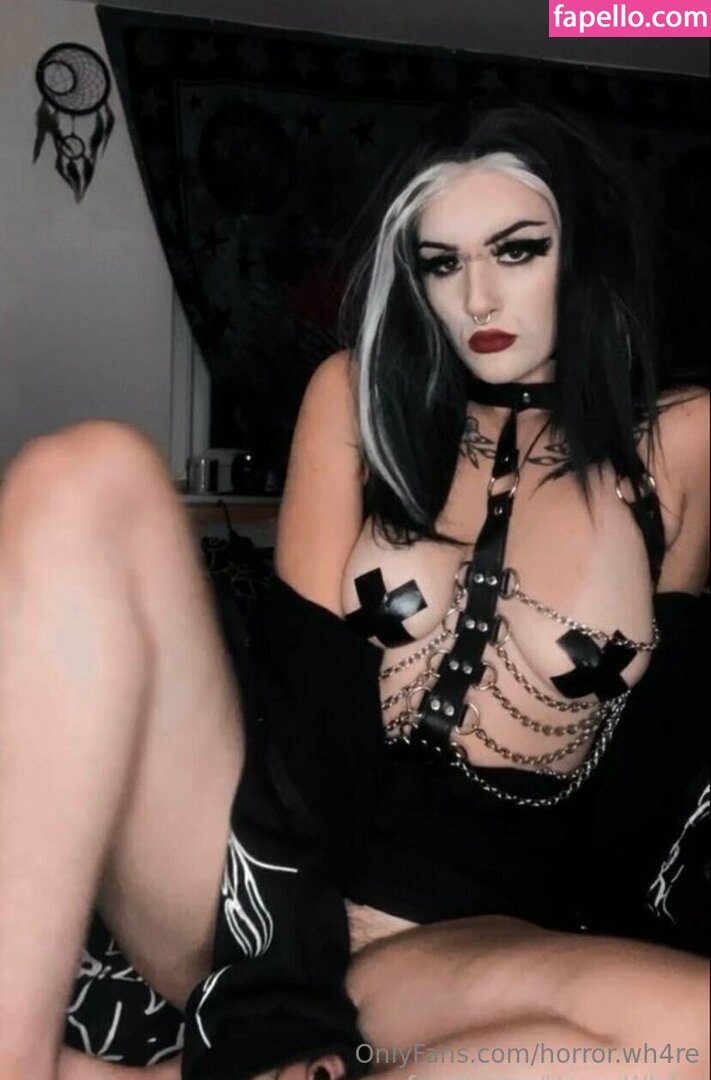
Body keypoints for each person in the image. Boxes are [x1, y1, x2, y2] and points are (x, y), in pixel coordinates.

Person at [0, 103, 707, 1080]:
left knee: (696, 1027)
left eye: (517, 251)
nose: (478, 297)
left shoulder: (680, 447)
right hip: (253, 893)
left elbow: (653, 777)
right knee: (85, 473)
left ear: (584, 252)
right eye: (442, 263)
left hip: (443, 950)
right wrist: (283, 999)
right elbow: (304, 703)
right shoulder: (360, 396)